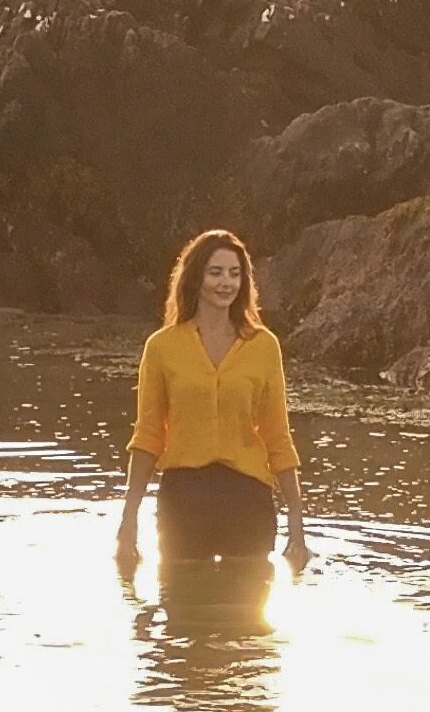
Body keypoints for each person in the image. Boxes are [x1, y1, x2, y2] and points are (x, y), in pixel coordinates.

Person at [117, 228, 311, 574]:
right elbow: (147, 437)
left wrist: (297, 527)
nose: (226, 283)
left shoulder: (264, 346)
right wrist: (128, 523)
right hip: (184, 497)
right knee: (182, 613)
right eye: (216, 272)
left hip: (248, 496)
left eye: (235, 274)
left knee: (246, 616)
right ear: (196, 278)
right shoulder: (162, 347)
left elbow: (277, 436)